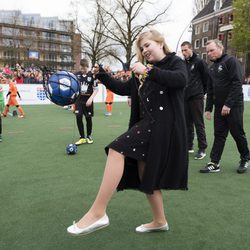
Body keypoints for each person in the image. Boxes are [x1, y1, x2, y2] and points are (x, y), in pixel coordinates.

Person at [67, 29, 188, 236]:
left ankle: (98, 212)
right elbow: (124, 88)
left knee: (116, 149)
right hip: (147, 124)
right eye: (142, 48)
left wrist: (148, 71)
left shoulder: (174, 62)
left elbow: (180, 80)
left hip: (164, 127)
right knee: (144, 172)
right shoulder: (144, 69)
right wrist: (103, 76)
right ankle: (160, 220)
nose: (144, 50)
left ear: (160, 42)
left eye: (147, 45)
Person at [200, 39, 250, 174]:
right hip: (219, 107)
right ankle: (214, 163)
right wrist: (208, 108)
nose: (209, 53)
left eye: (211, 50)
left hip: (234, 106)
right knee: (219, 134)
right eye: (207, 52)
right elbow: (210, 90)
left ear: (220, 48)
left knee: (237, 133)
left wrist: (228, 104)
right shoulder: (211, 68)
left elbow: (236, 83)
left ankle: (245, 158)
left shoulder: (231, 61)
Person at [181, 41, 209, 160]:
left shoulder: (199, 62)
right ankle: (189, 146)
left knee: (199, 123)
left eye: (185, 50)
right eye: (182, 50)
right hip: (185, 98)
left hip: (196, 97)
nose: (184, 53)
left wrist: (202, 93)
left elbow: (206, 78)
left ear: (191, 49)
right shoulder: (182, 63)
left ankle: (202, 148)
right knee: (187, 124)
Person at [74, 59, 99, 145]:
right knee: (78, 117)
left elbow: (96, 89)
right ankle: (82, 137)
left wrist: (91, 99)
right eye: (81, 69)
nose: (82, 71)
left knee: (88, 118)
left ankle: (88, 136)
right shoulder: (76, 75)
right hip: (78, 100)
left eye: (84, 69)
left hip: (88, 100)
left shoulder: (92, 75)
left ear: (87, 67)